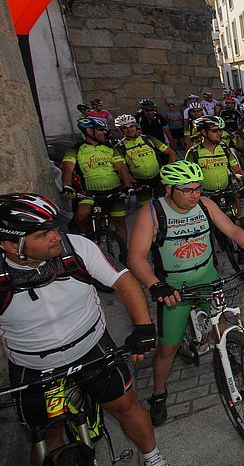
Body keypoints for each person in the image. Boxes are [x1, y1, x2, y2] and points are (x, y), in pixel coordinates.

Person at [0, 194, 169, 466]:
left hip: (92, 348)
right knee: (45, 433)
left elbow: (124, 281)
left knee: (126, 406)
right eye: (44, 234)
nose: (56, 236)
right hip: (35, 367)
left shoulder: (76, 247)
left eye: (55, 228)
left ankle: (153, 457)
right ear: (10, 244)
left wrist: (143, 327)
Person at [126, 162, 244, 426]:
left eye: (198, 188)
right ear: (169, 189)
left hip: (207, 278)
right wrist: (155, 284)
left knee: (223, 328)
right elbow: (135, 258)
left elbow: (234, 231)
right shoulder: (153, 212)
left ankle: (227, 355)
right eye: (188, 190)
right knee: (167, 348)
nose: (195, 195)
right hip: (174, 288)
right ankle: (159, 394)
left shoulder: (205, 205)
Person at [61, 117, 135, 242]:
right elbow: (67, 169)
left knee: (120, 223)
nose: (104, 132)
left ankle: (124, 256)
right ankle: (85, 235)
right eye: (101, 129)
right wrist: (67, 185)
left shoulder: (111, 148)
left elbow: (121, 168)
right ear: (89, 131)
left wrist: (128, 185)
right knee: (81, 214)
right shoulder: (75, 149)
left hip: (114, 191)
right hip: (89, 193)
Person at [114, 114, 177, 206]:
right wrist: (132, 182)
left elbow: (171, 153)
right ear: (120, 130)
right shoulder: (120, 147)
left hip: (158, 178)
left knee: (165, 205)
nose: (129, 130)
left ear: (136, 126)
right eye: (124, 128)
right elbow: (122, 169)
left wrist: (169, 170)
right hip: (139, 182)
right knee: (145, 208)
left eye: (131, 126)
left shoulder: (148, 139)